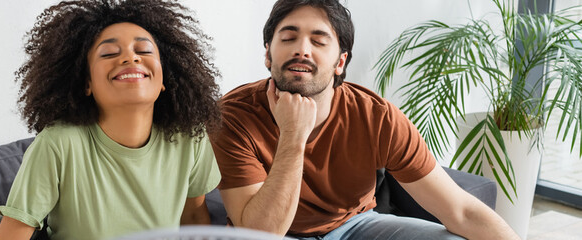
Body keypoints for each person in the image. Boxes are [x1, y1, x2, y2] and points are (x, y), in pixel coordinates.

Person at [209, 0, 520, 239]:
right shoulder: (234, 116)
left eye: (319, 41)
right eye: (288, 38)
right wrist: (293, 134)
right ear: (268, 54)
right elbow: (261, 233)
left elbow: (461, 211)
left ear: (340, 62)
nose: (302, 50)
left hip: (357, 226)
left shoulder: (376, 117)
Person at [0, 0, 222, 239]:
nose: (130, 58)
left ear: (165, 77)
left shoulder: (189, 137)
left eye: (143, 51)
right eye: (110, 53)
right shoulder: (57, 144)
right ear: (87, 83)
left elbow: (194, 220)